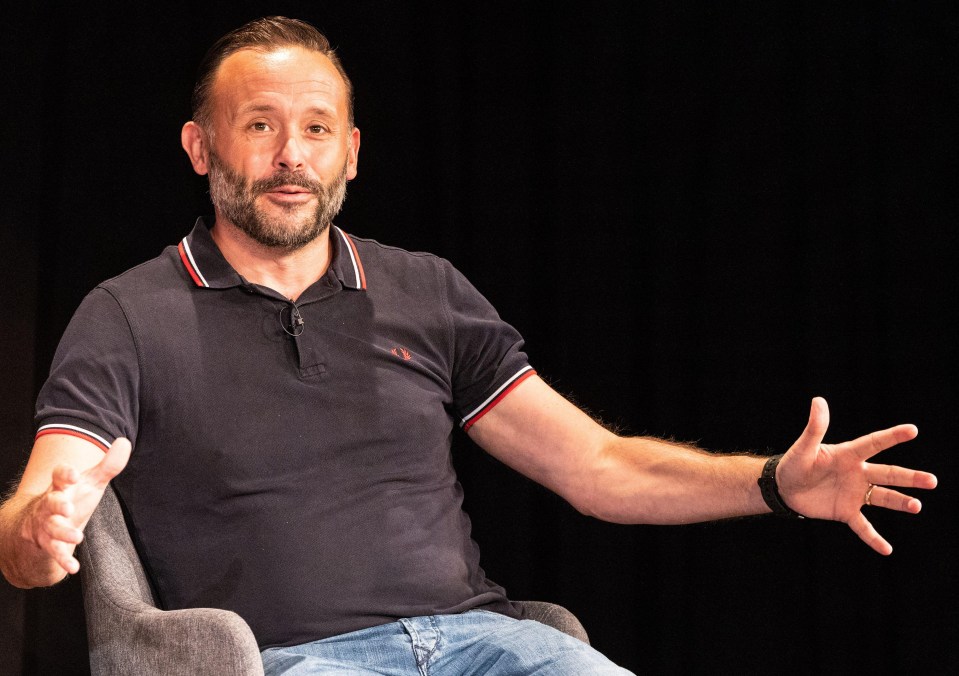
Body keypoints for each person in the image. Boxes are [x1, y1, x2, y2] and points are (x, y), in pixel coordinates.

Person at [0, 16, 937, 675]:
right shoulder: (128, 313)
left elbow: (598, 466)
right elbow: (36, 513)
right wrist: (39, 538)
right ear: (200, 148)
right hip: (289, 664)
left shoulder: (426, 290)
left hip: (492, 649)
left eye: (317, 130)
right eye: (260, 126)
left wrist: (773, 481)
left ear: (352, 153)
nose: (292, 154)